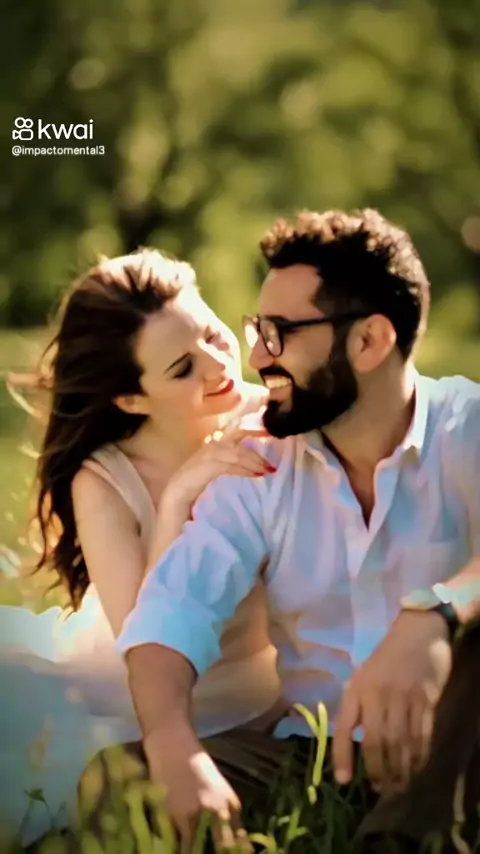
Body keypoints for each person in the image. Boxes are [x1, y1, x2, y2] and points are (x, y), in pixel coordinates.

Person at [82, 208, 480, 853]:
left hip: (450, 747)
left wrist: (434, 613)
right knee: (121, 777)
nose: (255, 357)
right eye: (257, 330)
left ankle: (402, 838)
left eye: (280, 333)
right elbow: (168, 614)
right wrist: (173, 745)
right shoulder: (260, 461)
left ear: (369, 341)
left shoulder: (467, 428)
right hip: (312, 755)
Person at [0, 249, 281, 848]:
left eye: (213, 334)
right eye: (182, 369)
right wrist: (179, 497)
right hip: (134, 704)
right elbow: (144, 634)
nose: (218, 365)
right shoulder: (104, 480)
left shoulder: (273, 418)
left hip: (267, 698)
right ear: (131, 400)